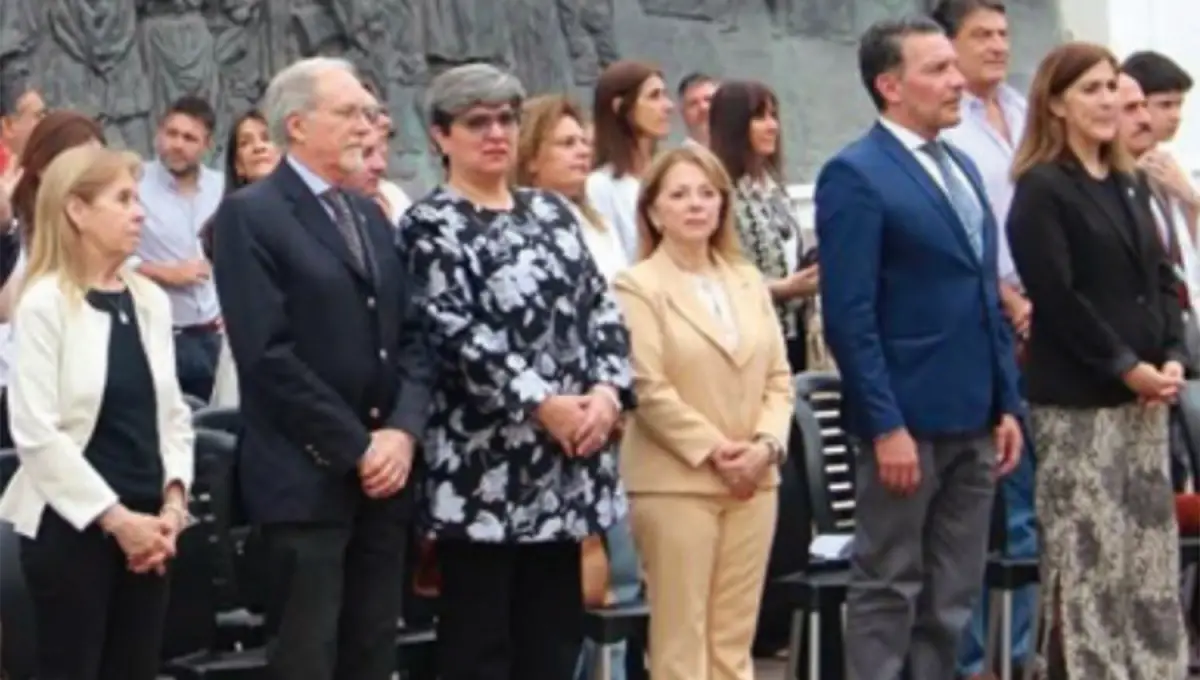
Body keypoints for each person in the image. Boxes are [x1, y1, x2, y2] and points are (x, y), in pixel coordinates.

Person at [398, 63, 635, 680]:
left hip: (564, 468)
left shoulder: (553, 215)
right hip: (483, 477)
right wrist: (544, 404)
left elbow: (600, 308)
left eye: (506, 118)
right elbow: (454, 334)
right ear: (441, 136)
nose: (496, 133)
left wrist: (607, 393)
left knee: (553, 644)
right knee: (481, 650)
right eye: (477, 122)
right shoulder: (431, 225)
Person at [209, 56, 435, 680]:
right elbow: (267, 354)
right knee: (307, 657)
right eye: (349, 113)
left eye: (369, 112)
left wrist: (401, 433)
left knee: (372, 652)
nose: (366, 126)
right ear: (298, 124)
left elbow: (411, 334)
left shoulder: (368, 214)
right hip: (306, 481)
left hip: (385, 482)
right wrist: (357, 447)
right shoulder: (251, 215)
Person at [815, 16, 1023, 680]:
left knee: (951, 594)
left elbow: (981, 293)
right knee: (889, 584)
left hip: (975, 419)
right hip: (905, 427)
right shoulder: (856, 174)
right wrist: (885, 424)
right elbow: (850, 315)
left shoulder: (958, 165)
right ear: (890, 85)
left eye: (951, 67)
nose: (957, 80)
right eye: (936, 69)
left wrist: (1006, 404)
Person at [1007, 42, 1188, 679]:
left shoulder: (1132, 184)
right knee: (1091, 562)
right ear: (1056, 104)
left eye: (1114, 86)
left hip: (1144, 399)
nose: (1110, 100)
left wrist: (1168, 356)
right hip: (1080, 403)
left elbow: (1163, 279)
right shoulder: (1042, 190)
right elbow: (1057, 297)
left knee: (1147, 557)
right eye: (1092, 89)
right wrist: (1121, 365)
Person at [0, 144, 195, 680]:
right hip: (73, 531)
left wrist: (173, 507)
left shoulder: (149, 300)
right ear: (76, 211)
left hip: (151, 529)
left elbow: (172, 414)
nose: (140, 212)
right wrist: (116, 520)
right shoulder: (44, 304)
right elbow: (37, 433)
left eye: (138, 197)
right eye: (123, 198)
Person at [614, 145, 792, 680]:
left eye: (707, 193)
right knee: (680, 640)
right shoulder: (637, 286)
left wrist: (763, 447)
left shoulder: (747, 280)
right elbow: (647, 385)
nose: (695, 205)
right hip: (677, 483)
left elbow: (780, 380)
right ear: (652, 210)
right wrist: (718, 451)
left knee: (734, 638)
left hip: (755, 482)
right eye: (679, 194)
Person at [514, 94, 639, 680]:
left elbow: (609, 313)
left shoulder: (591, 218)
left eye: (583, 141)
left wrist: (610, 391)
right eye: (565, 142)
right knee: (572, 592)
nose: (581, 151)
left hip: (609, 412)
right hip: (557, 429)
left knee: (621, 577)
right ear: (530, 158)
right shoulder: (521, 220)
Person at [932, 1, 1038, 676]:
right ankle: (970, 661)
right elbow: (962, 234)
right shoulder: (944, 128)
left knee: (1032, 510)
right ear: (948, 44)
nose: (998, 46)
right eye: (981, 35)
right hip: (990, 324)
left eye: (1003, 34)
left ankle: (1023, 652)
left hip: (1053, 328)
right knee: (979, 513)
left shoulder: (1028, 112)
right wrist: (1012, 301)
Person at [0, 111, 107, 451]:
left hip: (87, 404)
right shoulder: (16, 232)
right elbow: (7, 309)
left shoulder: (104, 236)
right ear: (46, 167)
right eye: (80, 164)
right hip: (18, 402)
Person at [133, 96, 225, 400]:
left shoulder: (222, 189)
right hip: (162, 336)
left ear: (207, 144)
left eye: (189, 138)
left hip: (219, 336)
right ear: (159, 133)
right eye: (171, 133)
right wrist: (163, 272)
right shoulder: (134, 184)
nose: (177, 144)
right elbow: (109, 256)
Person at [204, 109, 281, 408]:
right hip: (252, 350)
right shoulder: (229, 221)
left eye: (266, 138)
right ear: (238, 165)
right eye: (246, 143)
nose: (259, 146)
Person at [587, 60, 674, 262]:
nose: (668, 106)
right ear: (620, 106)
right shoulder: (601, 186)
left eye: (665, 95)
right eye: (654, 96)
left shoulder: (670, 174)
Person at [678, 72, 719, 147]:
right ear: (683, 113)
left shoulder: (741, 151)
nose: (703, 107)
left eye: (709, 99)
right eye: (693, 103)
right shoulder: (680, 157)